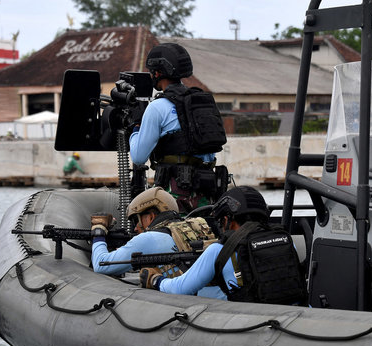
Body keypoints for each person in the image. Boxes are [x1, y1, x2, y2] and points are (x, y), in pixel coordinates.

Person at [140, 186, 307, 305]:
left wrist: (156, 280)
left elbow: (180, 288)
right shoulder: (285, 240)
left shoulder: (221, 249)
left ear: (227, 219)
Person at [129, 42, 229, 215]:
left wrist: (136, 127)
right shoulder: (201, 103)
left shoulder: (158, 107)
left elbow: (138, 157)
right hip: (208, 194)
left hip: (176, 196)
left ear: (157, 73)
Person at [90, 187, 220, 298]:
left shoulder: (150, 238)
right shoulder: (192, 227)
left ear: (151, 216)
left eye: (137, 220)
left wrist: (98, 231)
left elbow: (101, 264)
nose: (135, 228)